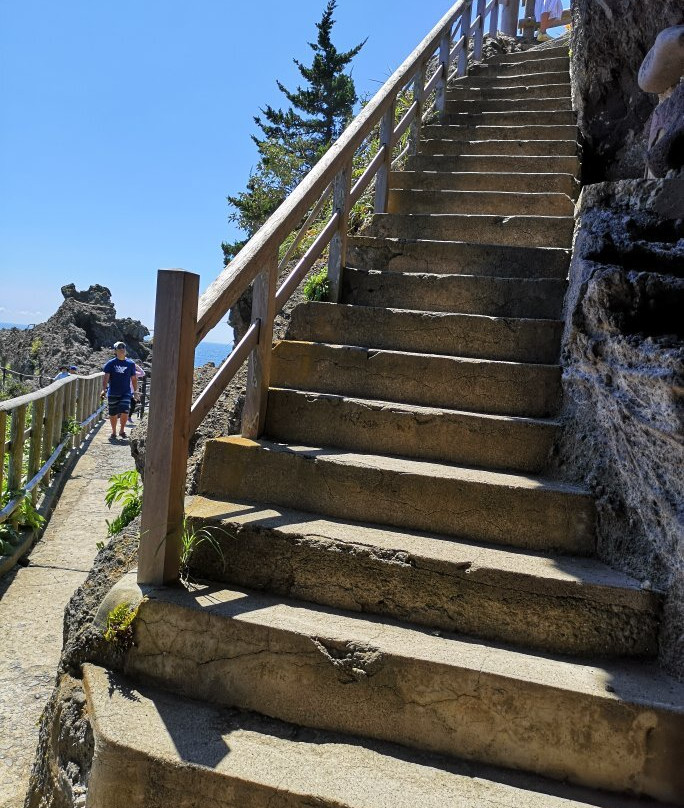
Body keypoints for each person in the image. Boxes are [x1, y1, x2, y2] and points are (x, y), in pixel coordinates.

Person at [102, 342, 138, 440]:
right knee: (113, 413)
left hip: (126, 392)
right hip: (113, 392)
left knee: (125, 411)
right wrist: (103, 390)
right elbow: (106, 378)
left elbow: (134, 378)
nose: (122, 349)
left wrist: (135, 391)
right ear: (115, 351)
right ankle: (114, 431)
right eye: (119, 348)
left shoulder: (130, 363)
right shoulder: (110, 363)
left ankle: (122, 430)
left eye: (123, 348)